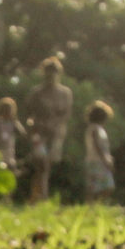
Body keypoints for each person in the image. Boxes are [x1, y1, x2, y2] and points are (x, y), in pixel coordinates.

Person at [25, 54, 74, 203]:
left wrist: (55, 126)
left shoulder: (65, 93)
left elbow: (66, 114)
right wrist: (33, 128)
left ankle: (37, 196)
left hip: (56, 133)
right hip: (39, 132)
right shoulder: (36, 92)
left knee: (47, 166)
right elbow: (28, 114)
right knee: (42, 163)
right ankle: (42, 196)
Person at [83, 100, 116, 202]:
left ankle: (96, 205)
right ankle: (91, 206)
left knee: (106, 186)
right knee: (95, 187)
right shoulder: (94, 129)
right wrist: (105, 159)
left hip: (100, 160)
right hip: (96, 161)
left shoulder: (99, 129)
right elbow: (97, 145)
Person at [0, 96, 26, 173]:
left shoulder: (13, 123)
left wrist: (16, 122)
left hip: (9, 151)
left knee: (10, 169)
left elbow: (22, 133)